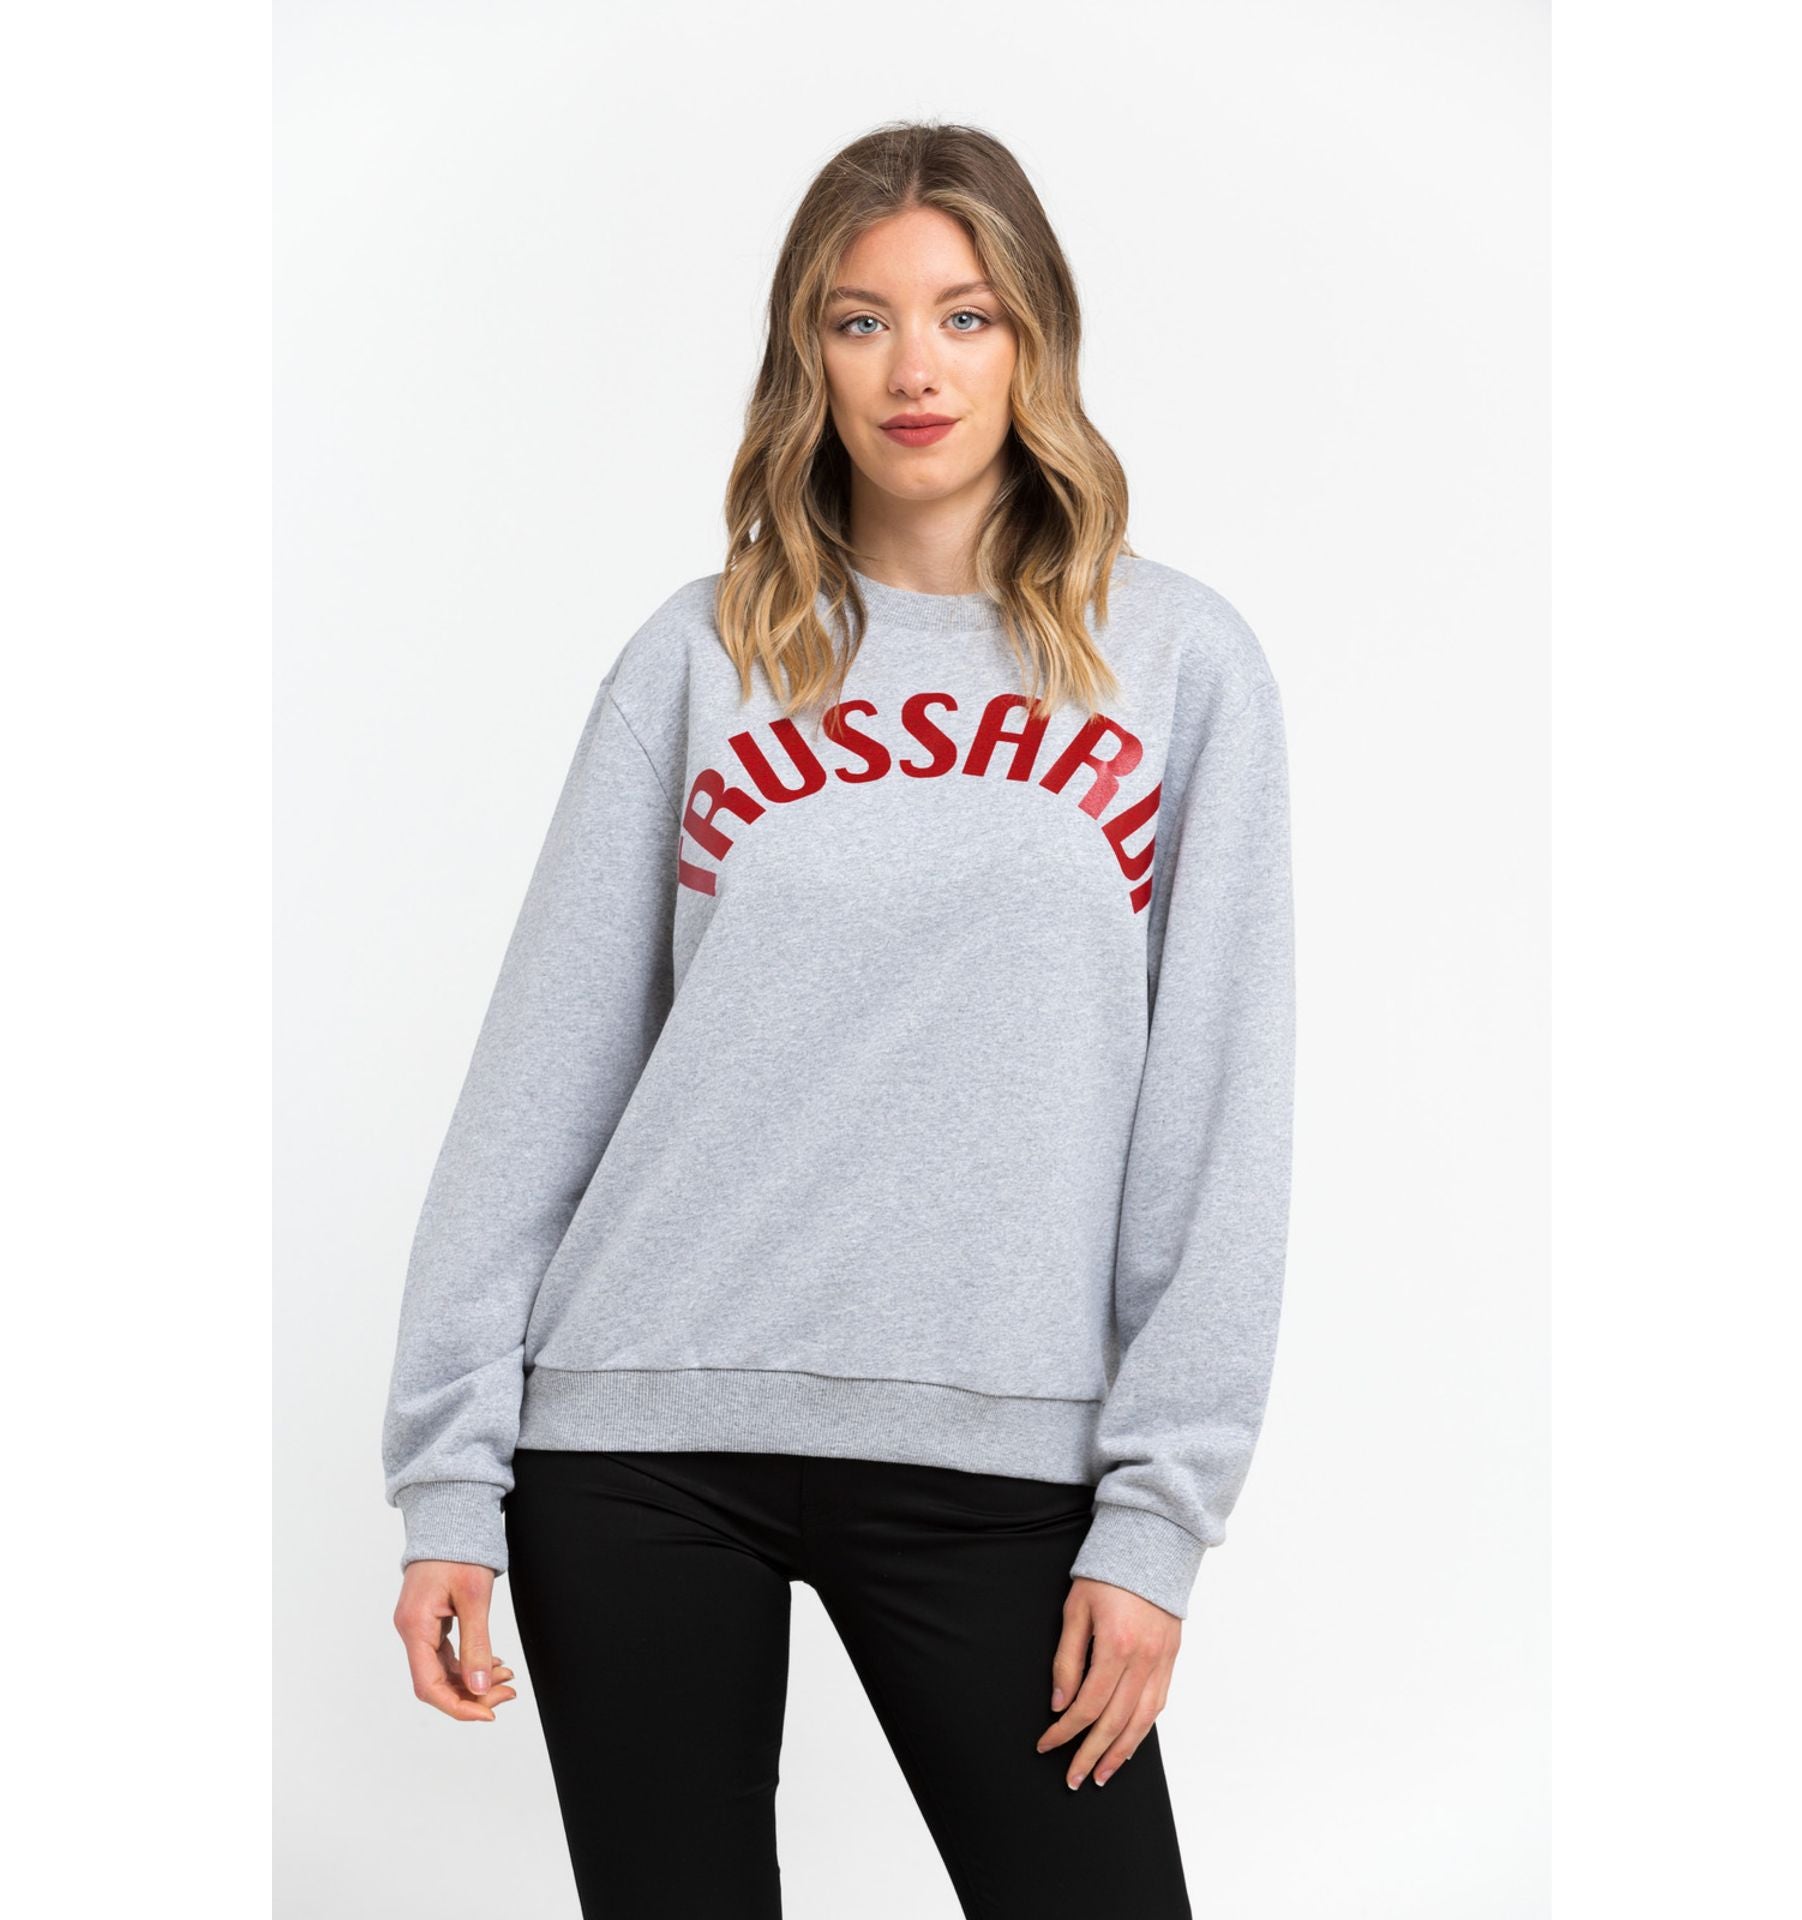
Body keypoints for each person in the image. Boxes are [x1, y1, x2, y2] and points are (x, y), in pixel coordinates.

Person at [380, 119, 1296, 1918]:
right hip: (639, 1442)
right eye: (859, 320)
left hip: (999, 1447)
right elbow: (542, 1082)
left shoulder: (1179, 666)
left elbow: (1221, 1111)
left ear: (1033, 339)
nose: (913, 368)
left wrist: (1158, 1516)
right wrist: (446, 1482)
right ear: (808, 355)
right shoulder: (701, 654)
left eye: (965, 315)